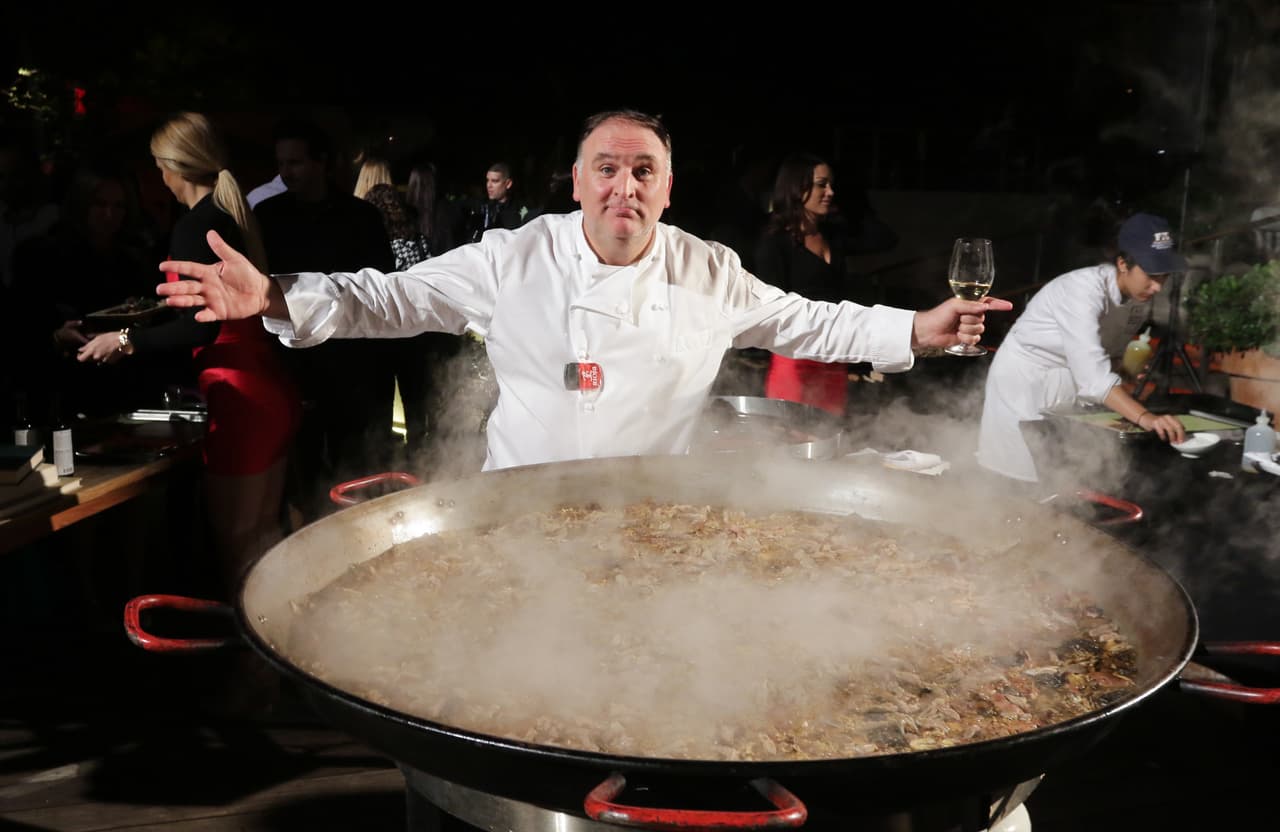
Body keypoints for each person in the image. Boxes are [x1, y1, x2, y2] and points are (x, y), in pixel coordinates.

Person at [156, 109, 1008, 473]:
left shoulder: (707, 268)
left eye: (643, 171)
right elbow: (390, 299)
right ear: (576, 182)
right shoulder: (512, 258)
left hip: (654, 511)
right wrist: (275, 296)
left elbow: (808, 321)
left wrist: (917, 329)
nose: (623, 187)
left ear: (667, 189)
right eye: (607, 168)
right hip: (521, 514)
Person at [77, 111, 301, 595]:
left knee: (238, 552)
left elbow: (202, 326)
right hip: (267, 387)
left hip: (239, 397)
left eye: (158, 165)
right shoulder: (231, 217)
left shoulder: (195, 226)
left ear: (173, 166)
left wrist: (125, 340)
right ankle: (280, 638)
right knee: (265, 542)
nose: (158, 176)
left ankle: (250, 645)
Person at [253, 117, 397, 519]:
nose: (286, 172)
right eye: (281, 163)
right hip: (295, 367)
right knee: (303, 481)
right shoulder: (268, 216)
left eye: (296, 162)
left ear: (323, 163)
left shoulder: (360, 217)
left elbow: (382, 292)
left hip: (355, 370)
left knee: (359, 476)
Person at [976, 212, 1189, 483]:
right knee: (1022, 478)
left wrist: (1123, 373)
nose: (1157, 286)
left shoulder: (1138, 297)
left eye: (1164, 276)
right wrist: (1146, 418)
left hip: (1072, 387)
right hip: (1027, 382)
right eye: (1151, 275)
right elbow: (1094, 379)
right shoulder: (1082, 291)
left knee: (1066, 477)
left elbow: (1106, 358)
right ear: (1123, 264)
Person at [753, 153, 875, 416]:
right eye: (822, 184)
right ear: (797, 188)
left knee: (830, 433)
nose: (830, 192)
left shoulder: (833, 235)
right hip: (795, 358)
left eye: (831, 184)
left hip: (833, 354)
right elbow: (769, 310)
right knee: (794, 435)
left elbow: (884, 237)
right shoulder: (775, 242)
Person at [463, 161, 527, 242]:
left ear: (508, 184)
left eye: (494, 181)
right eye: (488, 180)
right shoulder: (480, 205)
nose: (489, 185)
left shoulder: (519, 210)